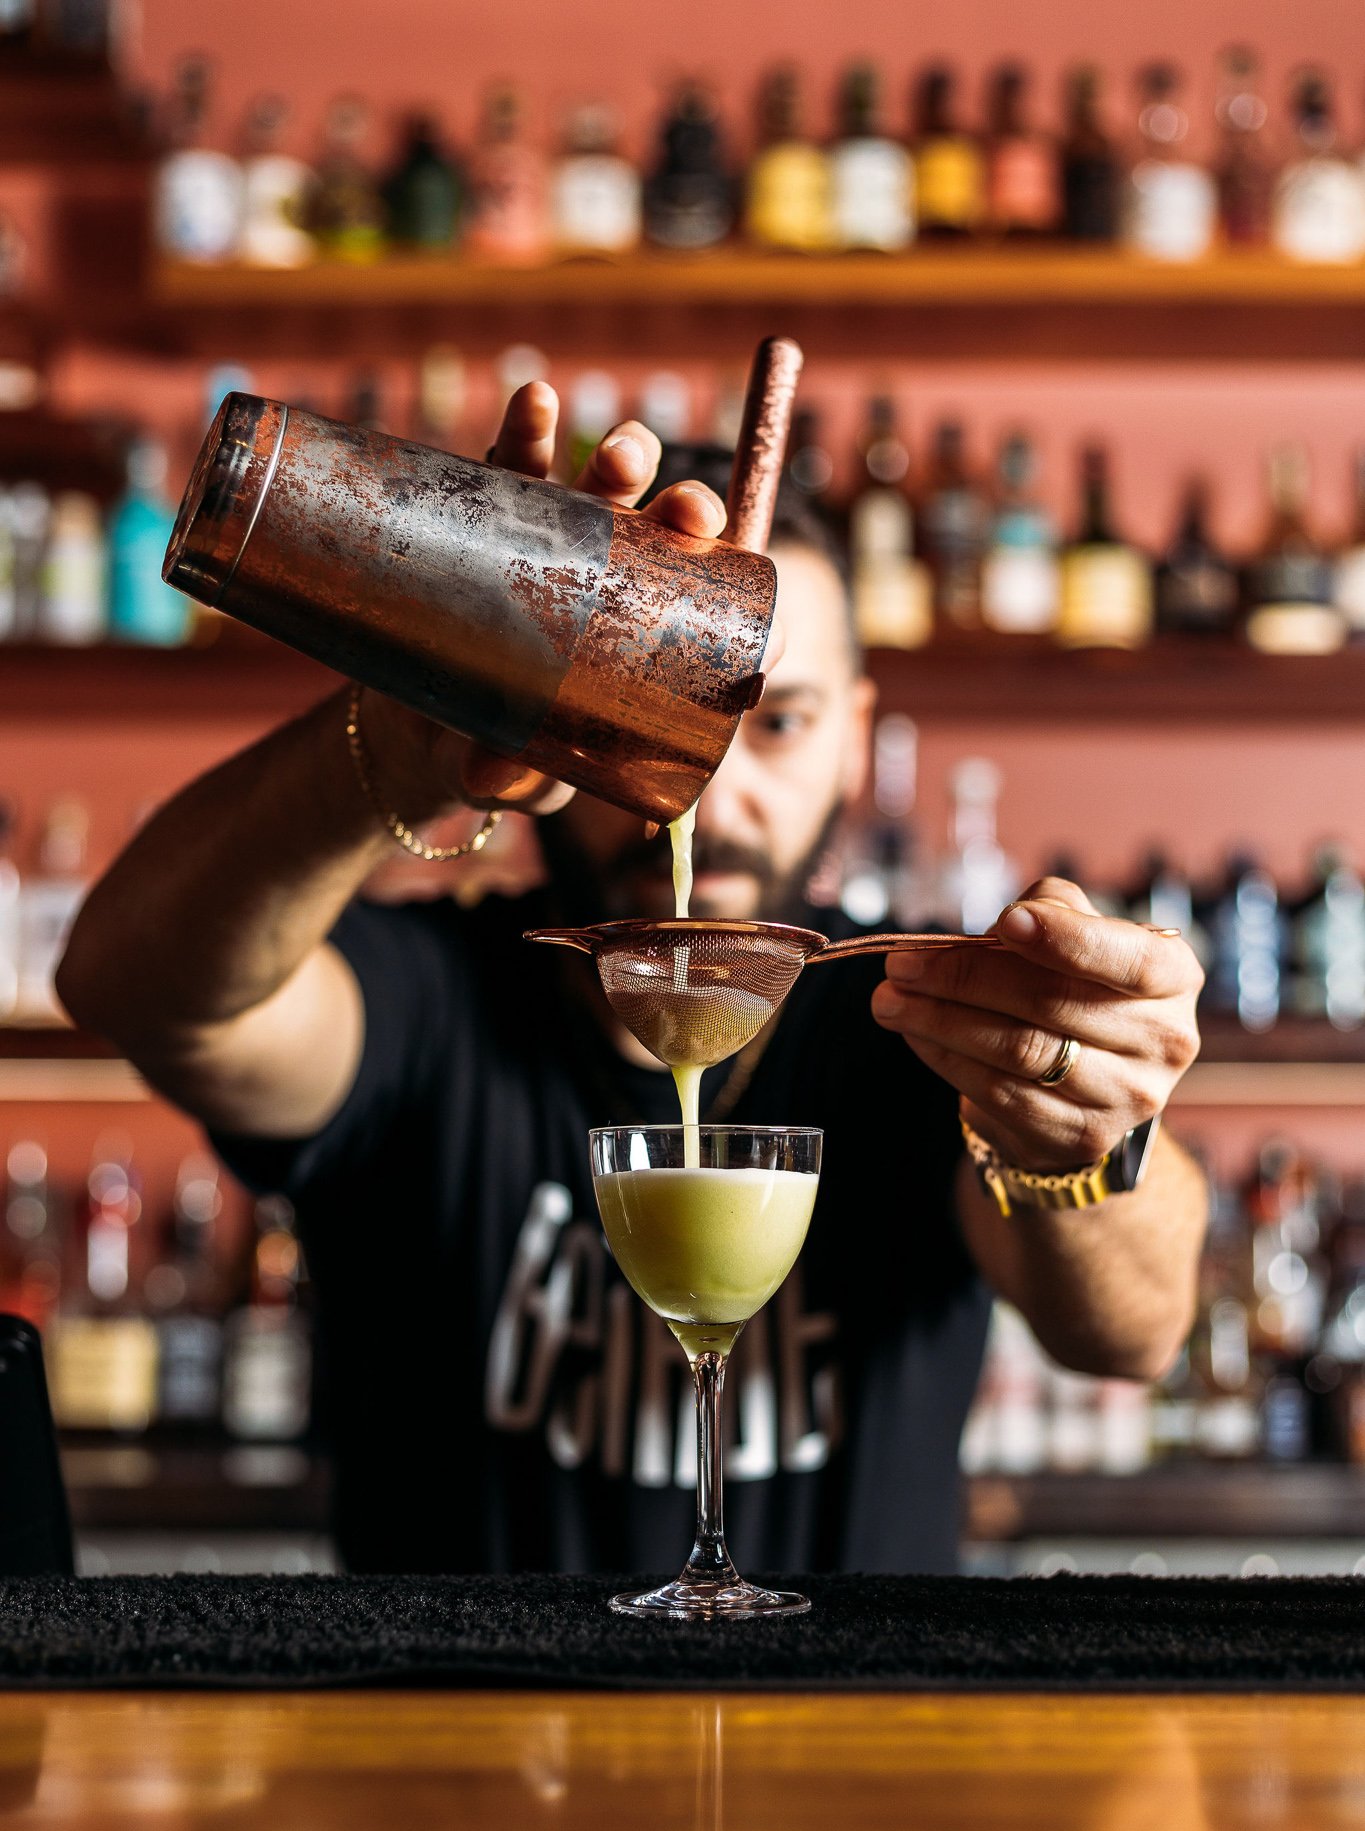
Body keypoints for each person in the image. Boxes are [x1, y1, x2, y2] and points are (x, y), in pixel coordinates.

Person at [56, 384, 1207, 1574]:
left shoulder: (922, 1020)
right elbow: (132, 982)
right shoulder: (436, 1000)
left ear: (857, 739)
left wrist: (1073, 1136)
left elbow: (1135, 1328)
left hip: (855, 1744)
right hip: (447, 1740)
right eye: (636, 715)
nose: (699, 791)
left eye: (776, 723)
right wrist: (403, 734)